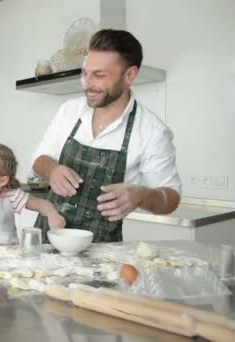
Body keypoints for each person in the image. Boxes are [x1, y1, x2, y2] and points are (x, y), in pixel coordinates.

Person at [32, 29, 182, 242]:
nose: (87, 83)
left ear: (129, 75)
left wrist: (141, 195)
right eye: (85, 73)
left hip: (103, 252)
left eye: (99, 75)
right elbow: (39, 160)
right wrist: (52, 169)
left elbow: (172, 198)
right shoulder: (69, 111)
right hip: (48, 238)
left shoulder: (152, 131)